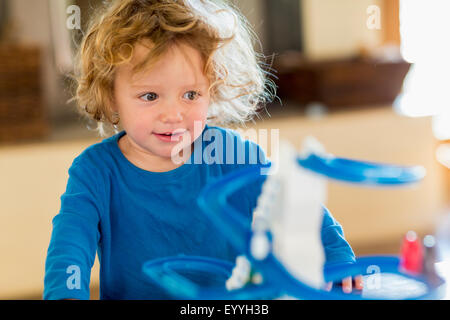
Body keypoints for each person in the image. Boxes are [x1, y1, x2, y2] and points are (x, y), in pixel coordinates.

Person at [44, 0, 361, 300]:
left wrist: (336, 254)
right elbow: (70, 245)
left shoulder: (233, 154)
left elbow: (294, 201)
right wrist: (67, 290)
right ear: (111, 96)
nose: (174, 115)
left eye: (191, 94)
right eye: (150, 96)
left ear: (213, 88)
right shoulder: (95, 171)